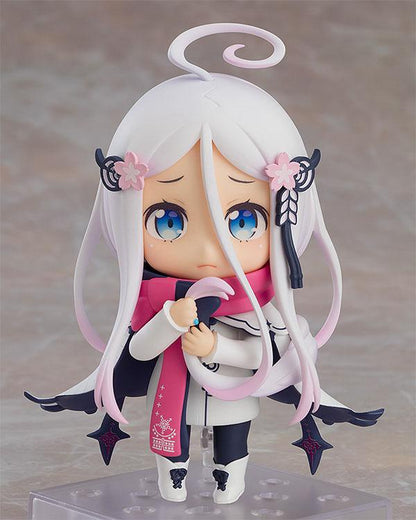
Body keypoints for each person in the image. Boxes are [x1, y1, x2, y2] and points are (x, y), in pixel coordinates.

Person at [25, 23, 383, 505]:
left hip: (235, 401)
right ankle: (172, 475)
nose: (209, 251)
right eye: (168, 220)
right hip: (170, 401)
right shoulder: (154, 301)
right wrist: (169, 323)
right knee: (172, 448)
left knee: (232, 447)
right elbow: (140, 351)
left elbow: (268, 354)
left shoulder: (258, 305)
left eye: (243, 220)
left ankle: (228, 478)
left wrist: (217, 345)